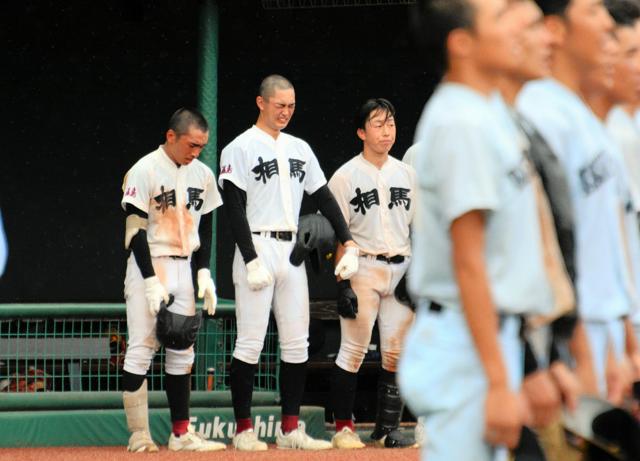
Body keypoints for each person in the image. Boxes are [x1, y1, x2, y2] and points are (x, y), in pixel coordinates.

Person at [398, 1, 554, 461]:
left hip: (486, 335)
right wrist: (500, 381)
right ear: (462, 44)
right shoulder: (459, 120)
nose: (521, 24)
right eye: (502, 16)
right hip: (464, 342)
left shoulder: (487, 113)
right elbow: (469, 263)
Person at [218, 74, 358, 451]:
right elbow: (233, 208)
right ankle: (243, 429)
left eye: (292, 105)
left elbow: (325, 197)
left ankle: (290, 429)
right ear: (260, 102)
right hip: (258, 246)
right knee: (250, 343)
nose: (286, 111)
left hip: (291, 250)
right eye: (279, 104)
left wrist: (348, 241)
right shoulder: (239, 147)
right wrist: (249, 259)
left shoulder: (300, 147)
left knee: (297, 344)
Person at [518, 0, 634, 401]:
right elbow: (549, 239)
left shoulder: (585, 115)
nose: (605, 23)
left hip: (605, 325)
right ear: (556, 28)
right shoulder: (536, 110)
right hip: (569, 332)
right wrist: (578, 343)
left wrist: (624, 334)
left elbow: (610, 239)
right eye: (593, 10)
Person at [119, 108, 226, 452]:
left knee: (183, 350)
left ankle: (181, 434)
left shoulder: (203, 173)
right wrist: (150, 280)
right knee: (141, 349)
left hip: (184, 266)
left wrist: (205, 272)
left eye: (201, 146)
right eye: (192, 144)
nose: (196, 151)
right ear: (171, 136)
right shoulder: (145, 168)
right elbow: (134, 229)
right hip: (149, 262)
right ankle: (139, 435)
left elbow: (207, 224)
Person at [327, 98, 417, 449]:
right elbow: (338, 234)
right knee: (353, 350)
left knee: (396, 353)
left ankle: (386, 429)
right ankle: (344, 429)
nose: (386, 131)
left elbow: (419, 228)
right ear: (361, 131)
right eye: (378, 124)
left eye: (391, 123)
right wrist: (342, 285)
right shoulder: (345, 176)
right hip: (362, 267)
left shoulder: (408, 174)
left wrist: (416, 271)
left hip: (401, 266)